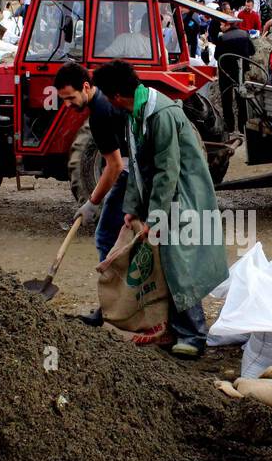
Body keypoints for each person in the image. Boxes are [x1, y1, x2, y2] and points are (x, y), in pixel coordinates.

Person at [91, 60, 227, 359]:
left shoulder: (161, 114)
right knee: (166, 261)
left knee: (180, 262)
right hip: (165, 196)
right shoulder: (136, 113)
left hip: (184, 193)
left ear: (115, 96)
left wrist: (155, 216)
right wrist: (133, 208)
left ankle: (194, 335)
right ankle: (173, 329)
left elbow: (167, 170)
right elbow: (139, 165)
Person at [54, 63, 128, 291]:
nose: (67, 105)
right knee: (117, 234)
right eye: (63, 99)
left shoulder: (100, 114)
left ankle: (111, 301)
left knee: (106, 235)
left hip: (129, 172)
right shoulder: (107, 98)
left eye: (70, 98)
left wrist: (92, 202)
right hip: (132, 168)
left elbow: (113, 166)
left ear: (86, 87)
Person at [214, 17, 255, 134]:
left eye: (222, 24)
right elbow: (252, 51)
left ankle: (230, 127)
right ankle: (243, 128)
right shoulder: (245, 34)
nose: (220, 27)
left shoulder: (222, 38)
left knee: (226, 100)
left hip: (226, 72)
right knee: (241, 99)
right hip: (240, 71)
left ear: (228, 25)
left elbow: (217, 56)